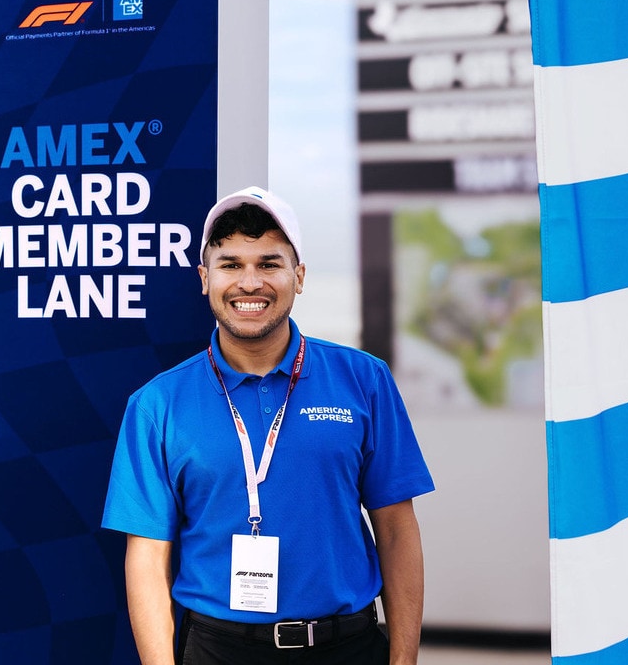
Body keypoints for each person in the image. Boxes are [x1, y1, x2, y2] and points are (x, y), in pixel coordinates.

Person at [102, 187, 434, 665]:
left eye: (269, 263)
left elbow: (397, 529)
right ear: (205, 278)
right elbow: (147, 557)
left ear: (298, 276)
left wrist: (403, 661)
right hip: (217, 649)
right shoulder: (157, 404)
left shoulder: (365, 380)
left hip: (347, 646)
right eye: (231, 264)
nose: (250, 282)